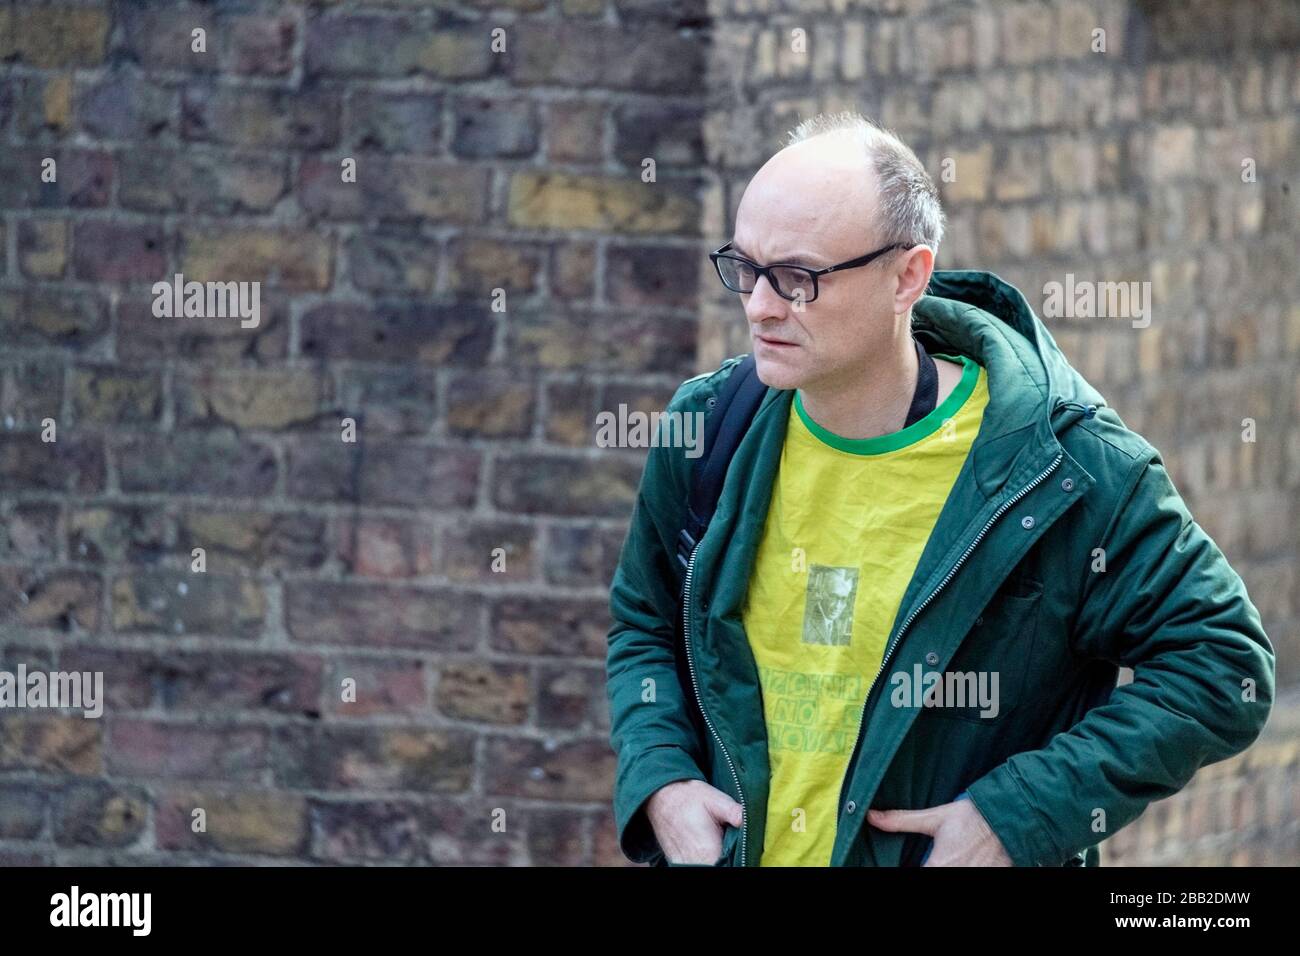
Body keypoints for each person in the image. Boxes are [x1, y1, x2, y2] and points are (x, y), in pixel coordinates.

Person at [603, 110, 1275, 867]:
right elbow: (644, 622)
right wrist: (661, 780)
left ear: (907, 278)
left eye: (798, 279)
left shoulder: (1067, 469)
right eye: (745, 269)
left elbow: (1224, 666)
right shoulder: (709, 427)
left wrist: (1016, 816)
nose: (759, 305)